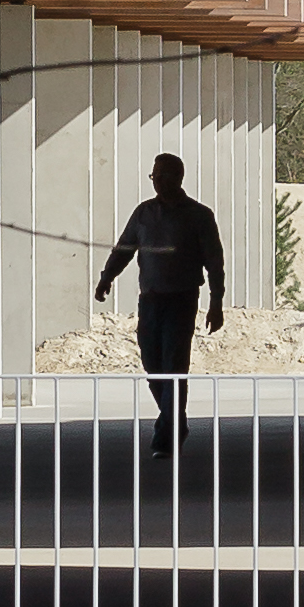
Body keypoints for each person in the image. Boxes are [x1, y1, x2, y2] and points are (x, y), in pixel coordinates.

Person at [96, 151, 226, 439]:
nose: (156, 181)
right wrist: (107, 277)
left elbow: (215, 263)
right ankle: (174, 420)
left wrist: (216, 303)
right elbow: (124, 248)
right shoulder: (143, 213)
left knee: (174, 365)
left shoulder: (199, 216)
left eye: (161, 175)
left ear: (178, 177)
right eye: (153, 176)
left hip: (182, 300)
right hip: (151, 300)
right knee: (153, 365)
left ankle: (168, 432)